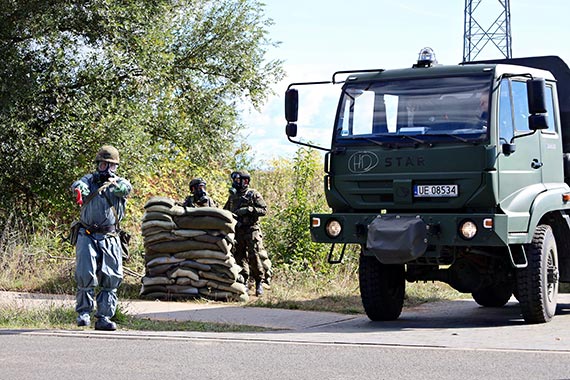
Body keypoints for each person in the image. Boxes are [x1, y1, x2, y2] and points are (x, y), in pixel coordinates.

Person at [71, 145, 132, 330]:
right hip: (87, 234)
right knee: (85, 274)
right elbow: (77, 185)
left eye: (112, 166)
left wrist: (120, 188)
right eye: (104, 165)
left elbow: (127, 188)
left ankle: (104, 317)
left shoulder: (120, 183)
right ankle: (83, 313)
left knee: (111, 277)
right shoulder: (88, 180)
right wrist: (79, 187)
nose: (107, 169)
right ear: (98, 165)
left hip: (110, 236)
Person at [223, 170, 267, 296]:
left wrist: (249, 209)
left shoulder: (253, 194)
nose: (235, 183)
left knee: (254, 255)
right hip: (238, 230)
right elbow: (225, 212)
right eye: (234, 180)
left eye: (238, 180)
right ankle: (244, 281)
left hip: (251, 229)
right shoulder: (232, 197)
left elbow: (264, 210)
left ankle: (259, 282)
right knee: (239, 256)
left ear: (245, 181)